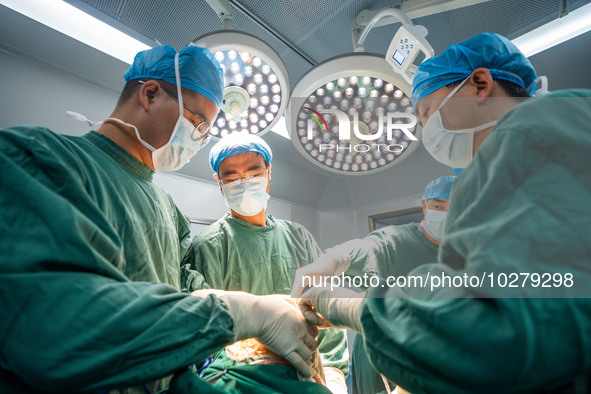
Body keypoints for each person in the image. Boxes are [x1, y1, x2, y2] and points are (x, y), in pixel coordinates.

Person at [0, 45, 316, 393]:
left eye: (205, 133)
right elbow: (55, 329)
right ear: (150, 93)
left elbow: (184, 303)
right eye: (197, 124)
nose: (198, 141)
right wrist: (243, 312)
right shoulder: (38, 160)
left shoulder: (167, 209)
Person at [295, 32, 591, 393]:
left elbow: (495, 330)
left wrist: (352, 307)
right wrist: (338, 261)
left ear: (480, 83)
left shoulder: (542, 139)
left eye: (427, 112)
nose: (425, 131)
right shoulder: (511, 166)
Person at [181, 132, 349, 393]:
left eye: (254, 172)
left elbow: (324, 308)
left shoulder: (298, 236)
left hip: (311, 375)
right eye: (232, 177)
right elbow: (209, 327)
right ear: (219, 183)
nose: (245, 182)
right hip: (246, 381)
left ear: (269, 173)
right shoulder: (208, 246)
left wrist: (334, 373)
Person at [339, 175, 456, 394]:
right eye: (438, 206)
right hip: (378, 348)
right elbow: (366, 250)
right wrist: (336, 258)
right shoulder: (396, 239)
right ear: (424, 205)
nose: (445, 214)